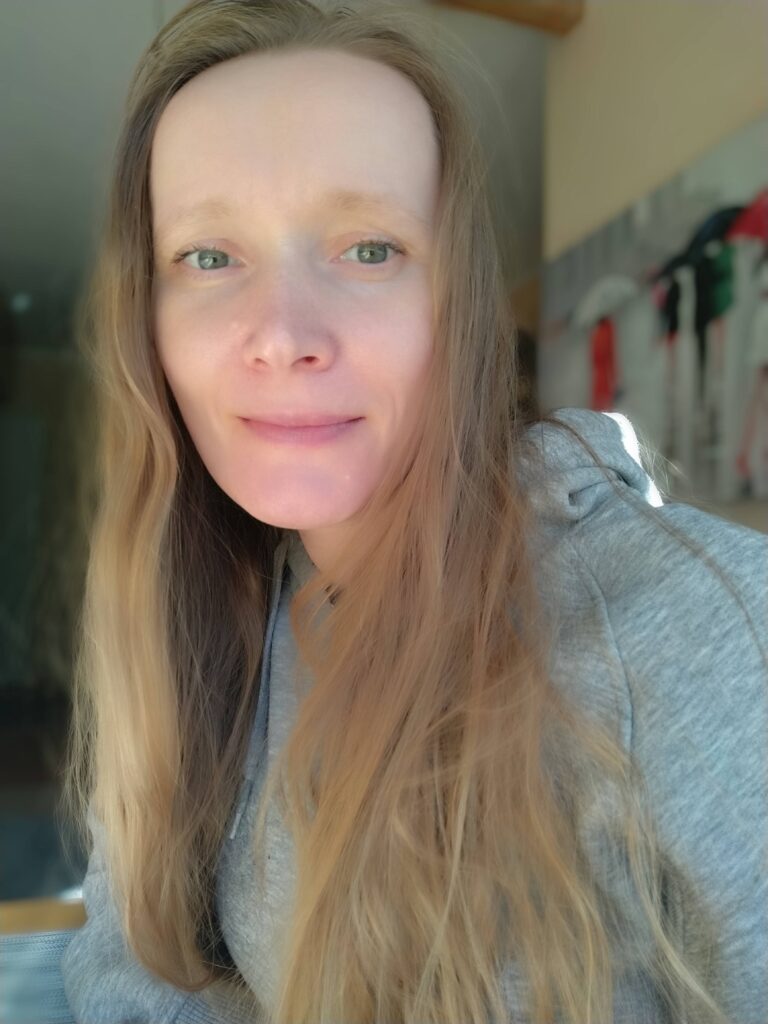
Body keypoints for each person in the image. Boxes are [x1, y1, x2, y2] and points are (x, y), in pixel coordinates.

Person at [59, 1, 767, 1022]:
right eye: (209, 256)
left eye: (369, 248)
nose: (283, 334)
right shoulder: (196, 616)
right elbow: (136, 966)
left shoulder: (702, 631)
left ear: (459, 304)